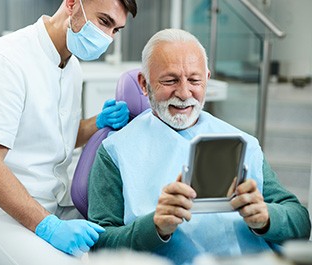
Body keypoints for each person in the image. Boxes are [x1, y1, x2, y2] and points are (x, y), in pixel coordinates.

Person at [87, 28, 311, 265]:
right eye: (170, 80)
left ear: (207, 79)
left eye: (194, 80)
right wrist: (154, 227)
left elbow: (300, 221)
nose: (184, 94)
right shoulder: (115, 151)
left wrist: (266, 218)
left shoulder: (243, 143)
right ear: (144, 84)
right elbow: (99, 245)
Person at [0, 0, 137, 264]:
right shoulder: (4, 62)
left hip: (51, 203)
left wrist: (98, 122)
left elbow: (58, 137)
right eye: (104, 22)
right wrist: (49, 227)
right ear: (72, 4)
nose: (107, 38)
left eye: (116, 30)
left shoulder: (71, 66)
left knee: (124, 250)